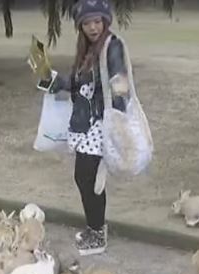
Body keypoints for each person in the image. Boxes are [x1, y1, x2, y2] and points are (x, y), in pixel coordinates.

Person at [37, 0, 130, 256]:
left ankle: (97, 234)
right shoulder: (86, 49)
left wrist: (118, 117)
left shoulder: (112, 46)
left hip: (101, 124)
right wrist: (55, 81)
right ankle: (94, 228)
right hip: (85, 125)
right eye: (87, 23)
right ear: (80, 26)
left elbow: (119, 81)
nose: (92, 27)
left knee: (87, 179)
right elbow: (80, 84)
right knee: (85, 178)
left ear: (105, 21)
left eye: (97, 22)